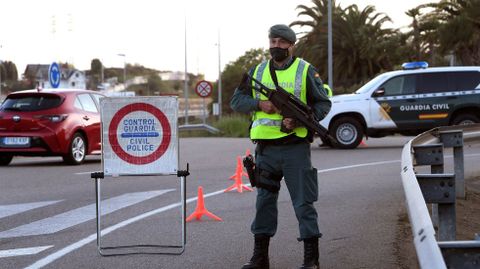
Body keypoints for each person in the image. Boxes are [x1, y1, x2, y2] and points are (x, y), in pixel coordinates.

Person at [230, 24, 331, 269]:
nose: (276, 46)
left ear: (291, 45)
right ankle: (260, 259)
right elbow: (236, 101)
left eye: (281, 42)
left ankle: (311, 261)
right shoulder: (258, 70)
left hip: (295, 148)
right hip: (265, 150)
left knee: (303, 203)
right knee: (264, 202)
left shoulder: (305, 70)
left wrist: (297, 120)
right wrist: (258, 104)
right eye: (272, 41)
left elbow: (323, 103)